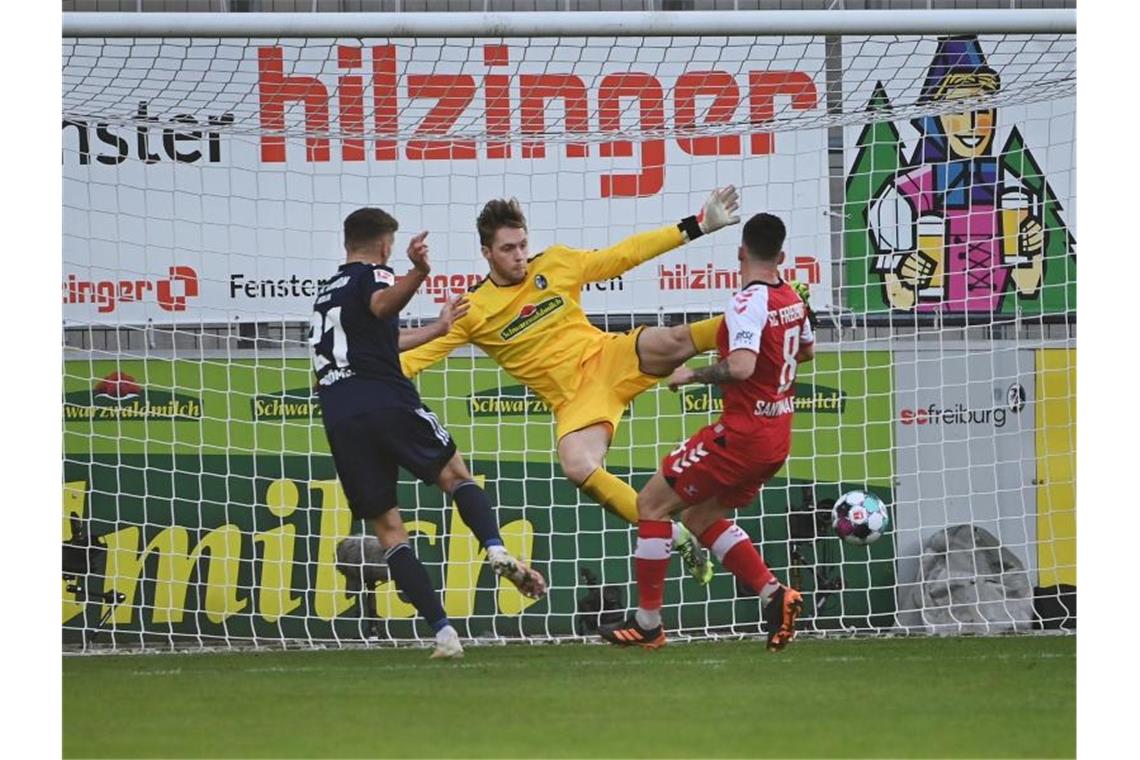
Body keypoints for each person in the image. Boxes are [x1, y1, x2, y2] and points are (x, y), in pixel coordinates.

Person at [400, 189, 743, 584]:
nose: (519, 255)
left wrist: (696, 226)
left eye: (523, 244)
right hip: (577, 400)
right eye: (508, 248)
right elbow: (416, 356)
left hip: (609, 358)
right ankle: (674, 533)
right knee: (576, 464)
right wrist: (357, 374)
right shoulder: (472, 310)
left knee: (671, 340)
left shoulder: (557, 263)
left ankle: (764, 314)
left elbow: (622, 255)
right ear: (486, 253)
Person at [312, 207, 546, 660]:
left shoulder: (326, 294)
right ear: (384, 245)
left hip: (340, 415)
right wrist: (417, 272)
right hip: (386, 399)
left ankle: (443, 634)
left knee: (389, 532)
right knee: (457, 477)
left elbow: (376, 339)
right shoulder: (374, 275)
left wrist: (439, 328)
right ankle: (495, 549)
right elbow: (383, 304)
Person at [598, 212, 814, 652]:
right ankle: (775, 596)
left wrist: (690, 375)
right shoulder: (793, 297)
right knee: (698, 516)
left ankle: (648, 624)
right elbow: (807, 351)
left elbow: (741, 367)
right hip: (776, 436)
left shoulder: (746, 302)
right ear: (782, 256)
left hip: (742, 434)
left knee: (651, 504)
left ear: (740, 252)